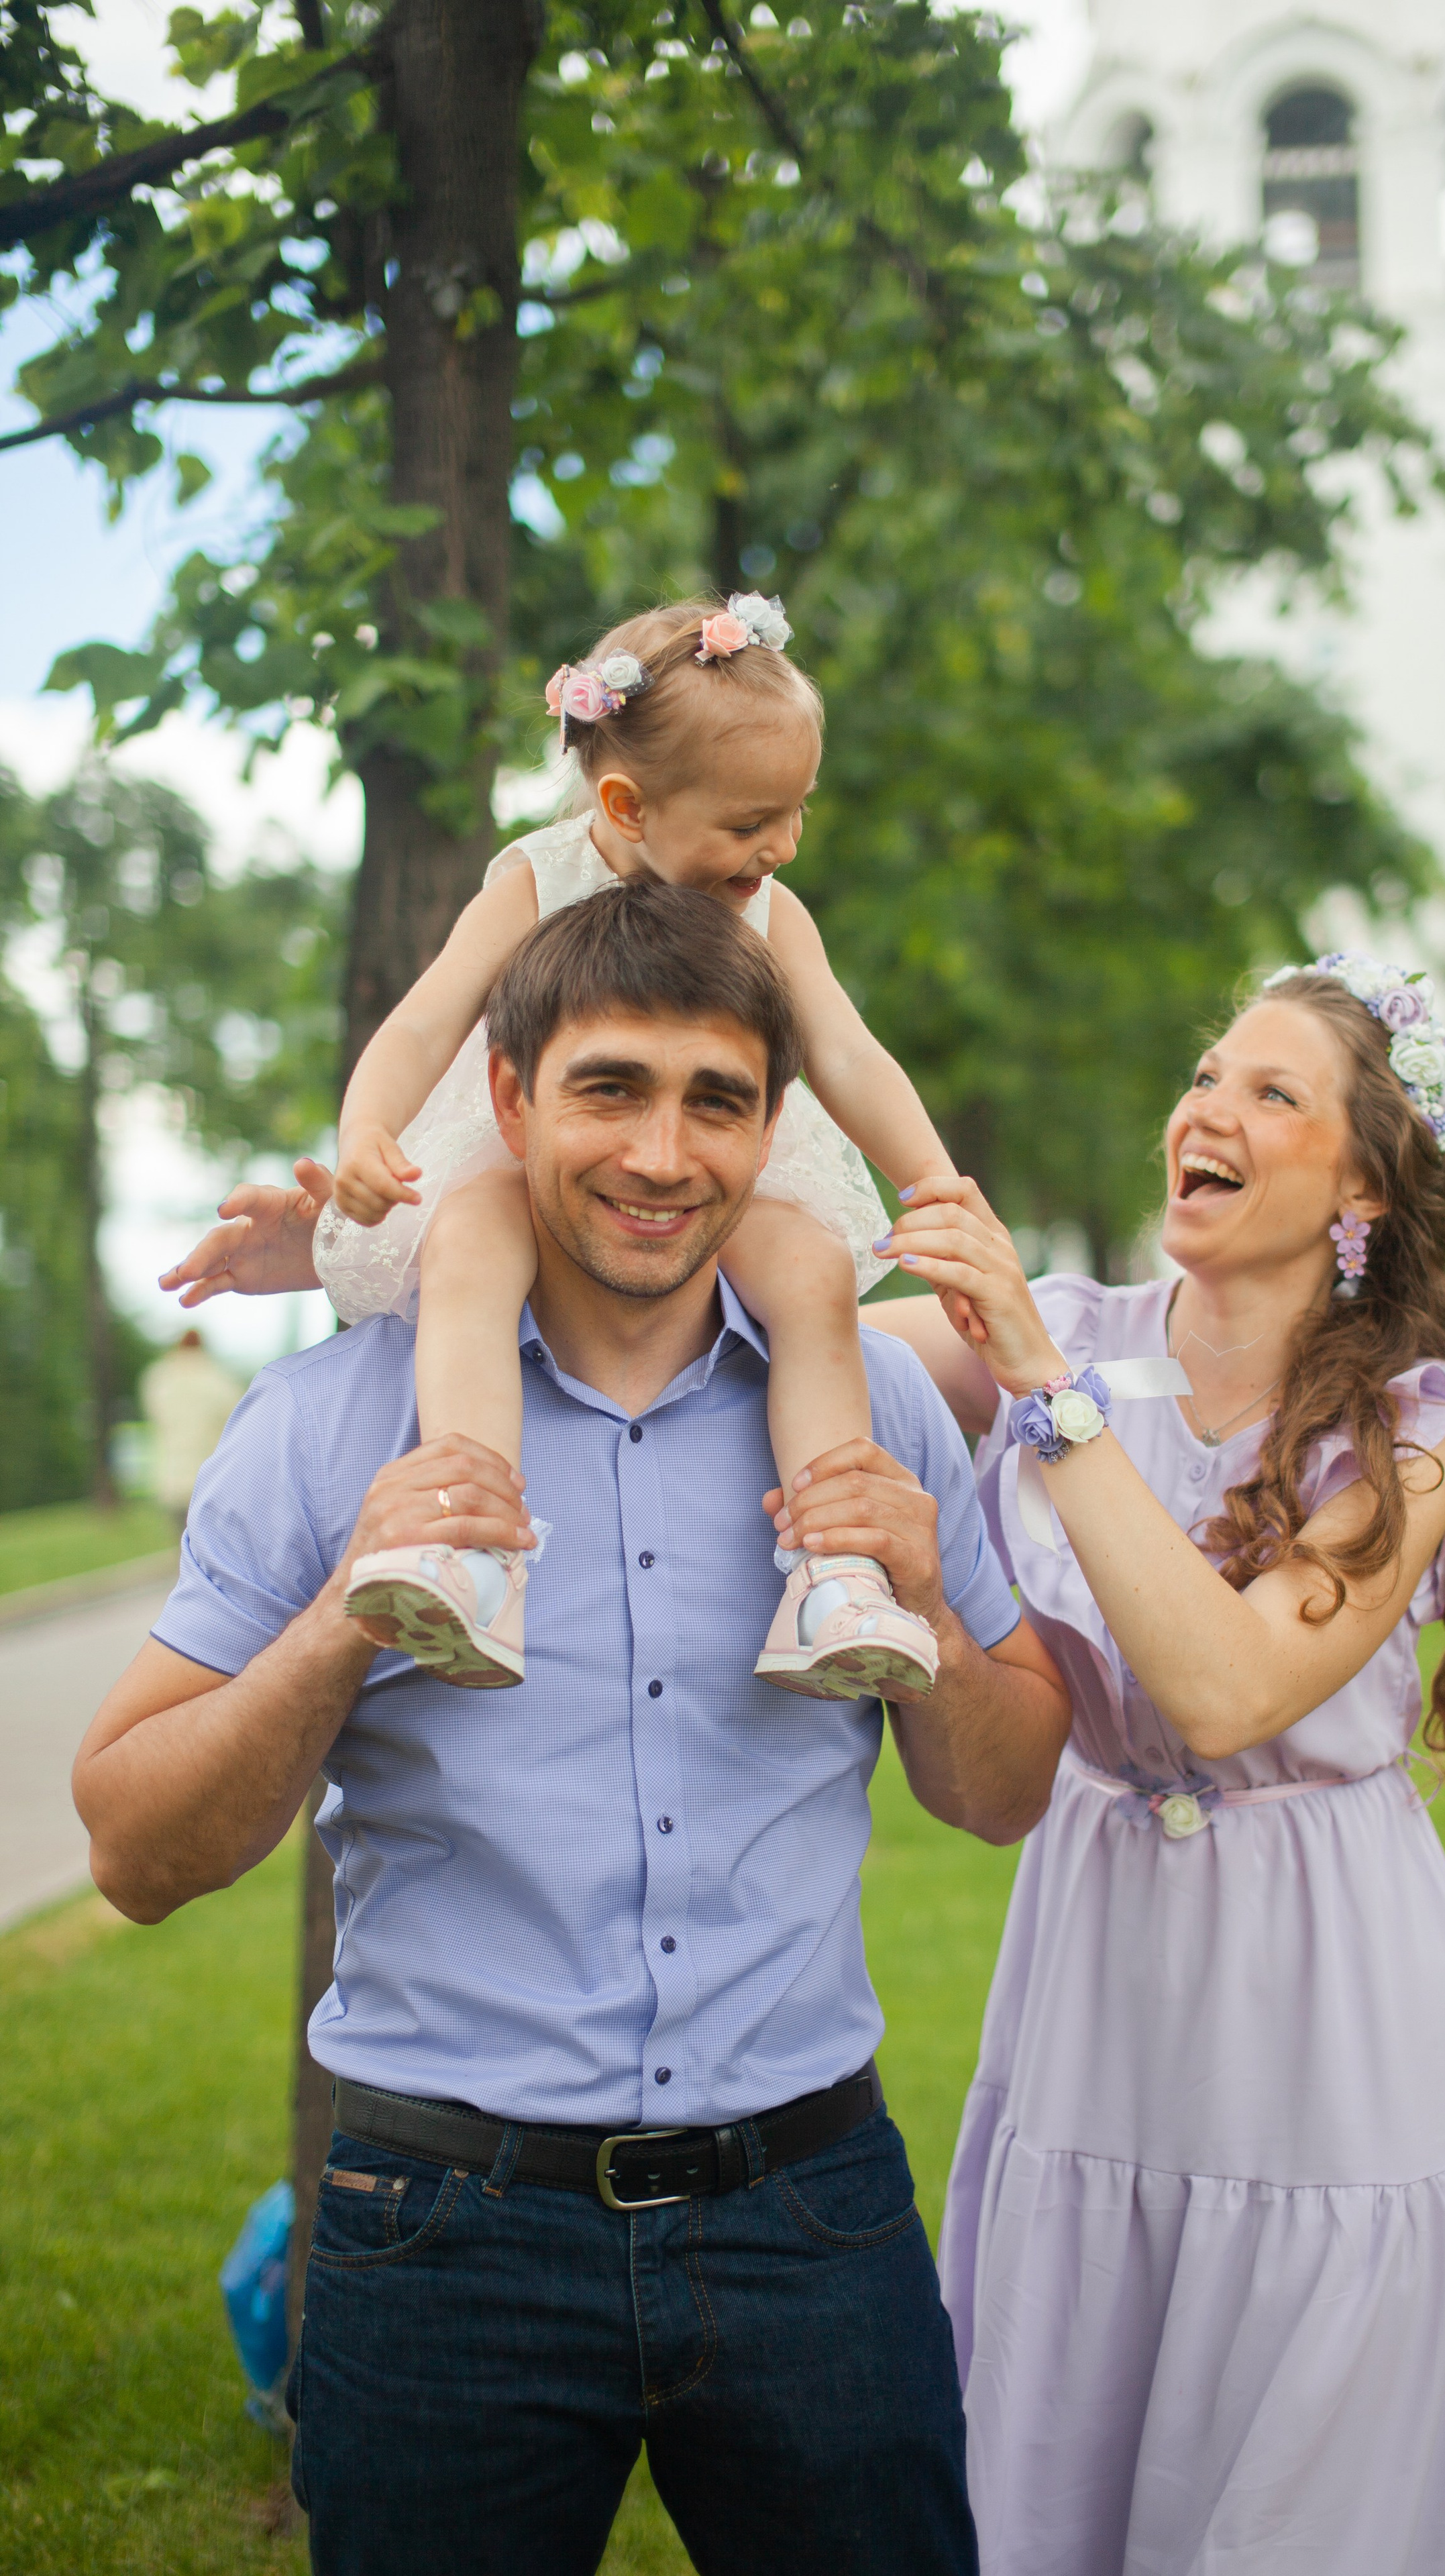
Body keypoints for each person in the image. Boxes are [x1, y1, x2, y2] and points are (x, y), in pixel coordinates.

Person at [76, 879, 1070, 2576]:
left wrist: (921, 1634)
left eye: (718, 1100)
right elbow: (132, 1848)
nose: (664, 1154)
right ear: (514, 1099)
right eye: (611, 1086)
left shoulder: (878, 1407)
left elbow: (1001, 1787)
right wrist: (348, 1609)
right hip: (440, 2235)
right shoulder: (325, 1425)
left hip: (809, 2217)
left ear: (773, 1126)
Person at [844, 955, 1445, 2576]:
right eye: (1204, 1070)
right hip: (1091, 1976)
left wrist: (1041, 1391)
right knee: (1055, 2426)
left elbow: (1222, 1685)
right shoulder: (1071, 1334)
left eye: (1268, 1091)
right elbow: (770, 1309)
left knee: (1287, 2471)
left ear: (1358, 1181)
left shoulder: (1417, 1429)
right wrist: (406, 1236)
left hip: (1318, 1989)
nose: (1203, 1107)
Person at [166, 591, 953, 1701]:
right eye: (746, 824)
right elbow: (426, 1020)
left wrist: (935, 1186)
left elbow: (849, 1055)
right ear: (627, 803)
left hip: (736, 1172)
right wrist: (365, 1134)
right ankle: (469, 1539)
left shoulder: (774, 912)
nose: (777, 849)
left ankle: (836, 1571)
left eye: (796, 814)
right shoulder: (538, 878)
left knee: (818, 1276)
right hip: (525, 1161)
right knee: (472, 1249)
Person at [138, 1327, 242, 1527]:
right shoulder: (221, 1381)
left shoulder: (158, 1379)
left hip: (172, 1476)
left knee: (181, 1542)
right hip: (211, 1479)